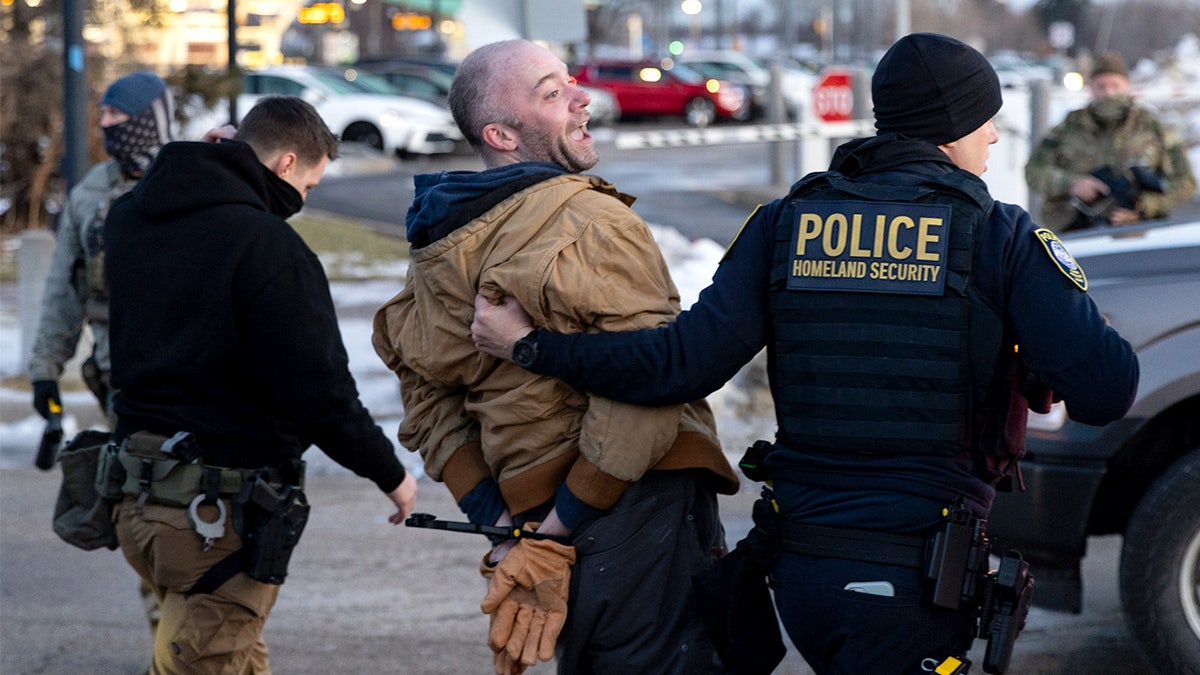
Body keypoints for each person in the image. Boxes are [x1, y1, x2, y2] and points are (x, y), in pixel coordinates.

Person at [472, 33, 1140, 673]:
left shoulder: (788, 223)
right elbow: (1108, 390)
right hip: (918, 578)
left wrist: (530, 346)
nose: (993, 136)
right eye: (984, 120)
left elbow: (678, 364)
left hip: (801, 576)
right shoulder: (999, 237)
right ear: (951, 125)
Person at [371, 39, 737, 674]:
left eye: (569, 81)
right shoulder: (592, 223)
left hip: (538, 518)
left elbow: (425, 395)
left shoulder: (441, 239)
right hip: (638, 509)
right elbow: (645, 386)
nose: (581, 97)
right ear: (502, 135)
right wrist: (553, 526)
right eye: (551, 93)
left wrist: (503, 520)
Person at [104, 95, 418, 673]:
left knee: (233, 657)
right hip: (217, 516)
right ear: (286, 164)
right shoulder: (268, 247)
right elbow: (318, 392)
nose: (303, 200)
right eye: (311, 186)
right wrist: (390, 473)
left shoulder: (129, 219)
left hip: (136, 498)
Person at [29, 71, 174, 426]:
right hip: (118, 382)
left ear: (146, 120)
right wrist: (46, 369)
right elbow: (65, 288)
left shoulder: (188, 182)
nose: (105, 124)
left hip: (184, 383)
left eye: (115, 115)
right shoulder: (90, 194)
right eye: (103, 114)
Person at [1025, 51, 1196, 232]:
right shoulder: (1068, 128)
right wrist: (1072, 184)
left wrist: (1145, 206)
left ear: (1127, 86)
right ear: (1091, 87)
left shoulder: (1154, 128)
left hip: (1140, 231)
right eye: (1101, 86)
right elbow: (1034, 171)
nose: (1109, 93)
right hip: (1076, 229)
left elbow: (1185, 182)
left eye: (1115, 85)